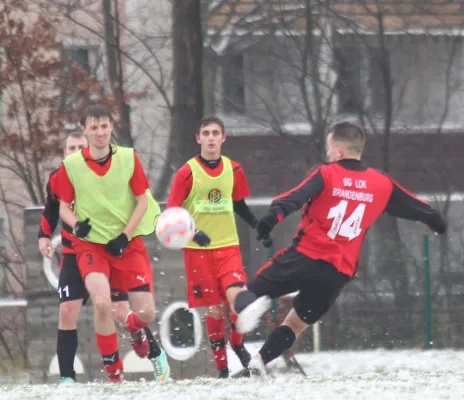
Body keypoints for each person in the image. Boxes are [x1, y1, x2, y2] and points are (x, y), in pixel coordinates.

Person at [230, 121, 447, 375]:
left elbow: (296, 197)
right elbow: (415, 207)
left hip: (305, 256)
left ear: (340, 151)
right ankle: (260, 362)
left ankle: (248, 307)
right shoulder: (381, 184)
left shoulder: (326, 173)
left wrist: (272, 218)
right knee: (297, 324)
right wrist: (436, 221)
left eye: (329, 148)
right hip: (338, 272)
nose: (328, 153)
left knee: (249, 291)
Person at [38, 131, 169, 384]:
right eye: (70, 148)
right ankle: (67, 380)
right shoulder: (58, 178)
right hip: (74, 255)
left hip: (102, 251)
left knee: (119, 310)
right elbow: (50, 211)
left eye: (80, 147)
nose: (75, 152)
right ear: (64, 153)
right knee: (67, 311)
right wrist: (43, 236)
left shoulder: (100, 176)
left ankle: (153, 351)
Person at [167, 116, 271, 378]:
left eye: (216, 133)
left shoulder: (233, 169)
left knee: (237, 296)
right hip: (197, 252)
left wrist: (258, 225)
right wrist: (193, 231)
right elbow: (172, 214)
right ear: (198, 138)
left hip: (228, 247)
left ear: (223, 138)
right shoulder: (186, 173)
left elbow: (238, 204)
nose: (211, 137)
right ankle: (222, 369)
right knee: (214, 309)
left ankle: (237, 342)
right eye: (206, 133)